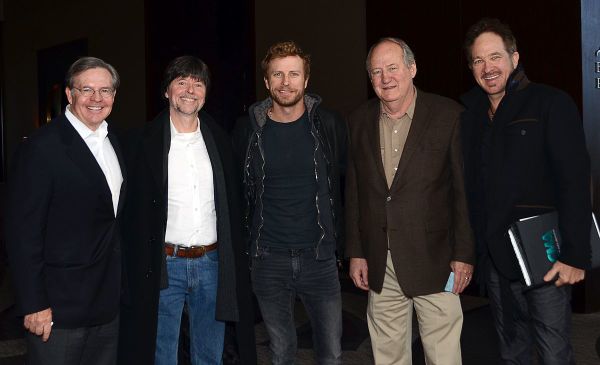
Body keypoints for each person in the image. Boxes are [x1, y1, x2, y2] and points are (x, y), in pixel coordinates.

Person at [461, 18, 592, 364]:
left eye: (495, 57)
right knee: (512, 353)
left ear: (515, 58)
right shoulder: (470, 115)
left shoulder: (550, 103)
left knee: (553, 354)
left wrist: (576, 256)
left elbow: (575, 181)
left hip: (545, 258)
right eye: (478, 61)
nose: (487, 68)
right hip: (497, 260)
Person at [117, 56, 255, 365]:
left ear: (206, 92)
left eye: (198, 83)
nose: (189, 89)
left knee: (209, 353)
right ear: (167, 91)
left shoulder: (220, 141)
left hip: (212, 263)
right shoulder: (141, 142)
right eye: (181, 81)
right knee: (161, 353)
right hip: (164, 265)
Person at [345, 38, 475, 365]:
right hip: (380, 259)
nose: (385, 78)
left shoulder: (449, 115)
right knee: (387, 356)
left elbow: (463, 192)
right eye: (376, 71)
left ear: (412, 68)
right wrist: (357, 252)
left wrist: (464, 254)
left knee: (443, 355)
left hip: (436, 259)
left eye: (392, 68)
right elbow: (355, 193)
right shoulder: (358, 121)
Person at [232, 41, 347, 365]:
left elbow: (344, 188)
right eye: (278, 75)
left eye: (294, 74)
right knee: (281, 353)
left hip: (320, 259)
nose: (286, 82)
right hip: (268, 261)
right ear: (266, 82)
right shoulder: (247, 131)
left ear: (306, 80)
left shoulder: (329, 126)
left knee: (332, 354)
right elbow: (238, 192)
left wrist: (346, 247)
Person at [5, 57, 124, 365]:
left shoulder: (115, 142)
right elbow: (22, 234)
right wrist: (34, 304)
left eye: (105, 90)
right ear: (70, 95)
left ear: (114, 95)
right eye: (87, 89)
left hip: (108, 306)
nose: (97, 98)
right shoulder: (42, 148)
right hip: (58, 312)